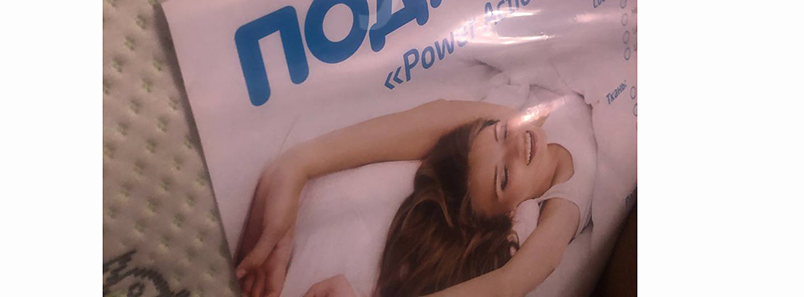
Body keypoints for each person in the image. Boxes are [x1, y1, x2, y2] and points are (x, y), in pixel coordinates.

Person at [234, 95, 596, 297]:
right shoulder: (566, 194)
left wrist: (298, 164)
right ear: (510, 214)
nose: (516, 144)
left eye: (501, 133)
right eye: (504, 177)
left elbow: (429, 118)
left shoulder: (513, 125)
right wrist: (293, 168)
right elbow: (510, 281)